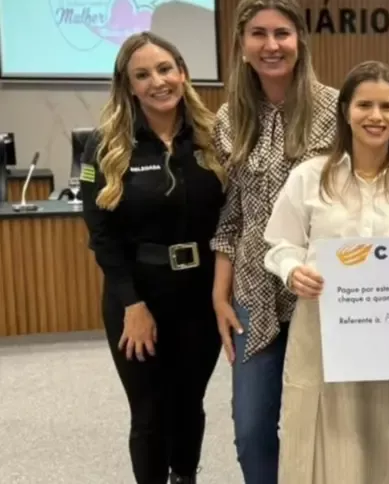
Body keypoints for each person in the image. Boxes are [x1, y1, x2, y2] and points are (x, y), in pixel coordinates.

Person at [263, 60, 389, 484]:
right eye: (364, 105)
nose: (376, 116)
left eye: (387, 107)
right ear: (345, 111)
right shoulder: (309, 177)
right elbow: (279, 244)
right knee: (316, 441)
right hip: (320, 331)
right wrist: (293, 269)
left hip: (388, 339)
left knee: (380, 441)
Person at [79, 32, 226, 484]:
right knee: (148, 412)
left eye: (165, 69)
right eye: (142, 75)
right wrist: (132, 305)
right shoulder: (106, 144)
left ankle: (185, 476)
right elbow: (101, 236)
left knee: (188, 403)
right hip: (139, 296)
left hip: (201, 297)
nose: (157, 82)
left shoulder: (214, 136)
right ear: (127, 85)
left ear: (182, 71)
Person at [209, 0, 338, 482]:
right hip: (253, 294)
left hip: (322, 291)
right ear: (242, 47)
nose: (271, 45)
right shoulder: (229, 118)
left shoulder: (337, 108)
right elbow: (231, 217)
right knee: (252, 428)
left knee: (324, 423)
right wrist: (220, 294)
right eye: (258, 35)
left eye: (281, 33)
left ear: (300, 40)